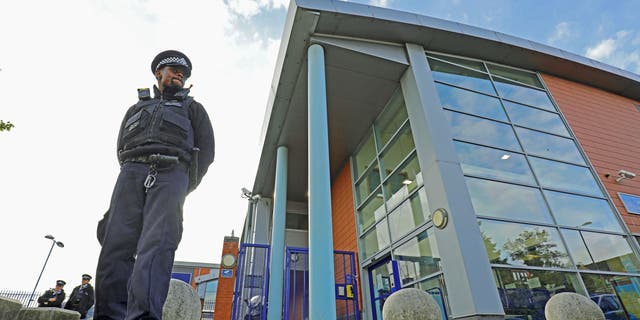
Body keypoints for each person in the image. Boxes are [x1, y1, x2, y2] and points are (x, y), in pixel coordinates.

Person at [95, 50, 215, 320]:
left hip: (173, 173)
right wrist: (132, 172)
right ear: (158, 73)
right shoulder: (137, 108)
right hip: (130, 172)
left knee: (157, 245)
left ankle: (144, 315)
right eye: (173, 70)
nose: (179, 75)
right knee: (116, 244)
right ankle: (109, 315)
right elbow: (120, 146)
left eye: (183, 73)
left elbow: (206, 152)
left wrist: (181, 185)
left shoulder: (193, 108)